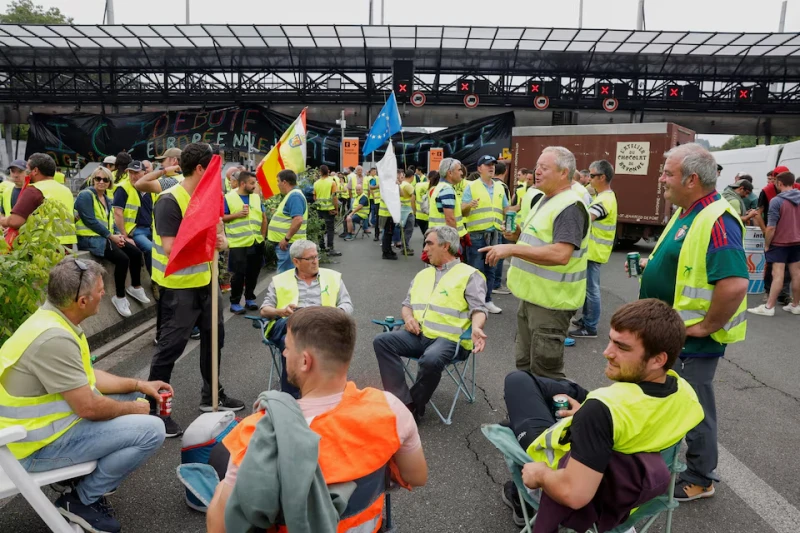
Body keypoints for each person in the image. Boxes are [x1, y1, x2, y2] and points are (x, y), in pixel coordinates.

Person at [206, 307, 426, 533]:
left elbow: (221, 528)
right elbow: (416, 476)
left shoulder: (257, 432)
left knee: (219, 457)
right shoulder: (390, 409)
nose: (283, 353)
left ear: (304, 361)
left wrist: (220, 491)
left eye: (287, 347)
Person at [0, 257, 168, 533]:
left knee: (134, 402)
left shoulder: (52, 321)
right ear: (81, 301)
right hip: (30, 449)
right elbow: (89, 407)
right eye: (101, 290)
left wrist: (139, 385)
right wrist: (136, 410)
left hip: (39, 433)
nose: (104, 293)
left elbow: (87, 378)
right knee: (151, 430)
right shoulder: (54, 340)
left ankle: (83, 485)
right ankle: (80, 500)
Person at [501, 299, 704, 526]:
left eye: (622, 347)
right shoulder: (686, 394)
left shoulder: (602, 409)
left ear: (658, 359)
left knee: (517, 382)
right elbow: (633, 423)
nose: (607, 353)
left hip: (561, 462)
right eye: (610, 341)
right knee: (562, 388)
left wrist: (539, 475)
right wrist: (585, 415)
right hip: (632, 484)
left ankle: (523, 502)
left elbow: (574, 494)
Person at [636, 143, 747, 502]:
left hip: (694, 341)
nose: (661, 178)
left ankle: (701, 477)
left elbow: (734, 284)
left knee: (694, 407)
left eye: (667, 173)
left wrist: (705, 327)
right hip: (673, 335)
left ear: (692, 179)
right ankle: (658, 467)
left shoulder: (718, 218)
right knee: (668, 402)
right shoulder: (687, 211)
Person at [150, 143, 245, 437]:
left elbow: (222, 238)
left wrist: (222, 243)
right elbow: (169, 247)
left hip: (206, 282)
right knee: (171, 349)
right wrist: (209, 245)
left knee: (214, 339)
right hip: (177, 288)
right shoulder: (169, 200)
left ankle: (211, 394)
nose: (219, 177)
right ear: (202, 169)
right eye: (215, 170)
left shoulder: (208, 198)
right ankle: (155, 411)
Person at [480, 146, 589, 379]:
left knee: (545, 372)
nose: (535, 172)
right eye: (537, 166)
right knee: (525, 364)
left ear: (563, 173)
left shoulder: (569, 205)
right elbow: (540, 242)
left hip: (551, 303)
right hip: (532, 298)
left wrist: (511, 247)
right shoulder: (546, 199)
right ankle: (527, 413)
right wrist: (517, 235)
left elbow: (561, 254)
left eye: (544, 168)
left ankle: (548, 415)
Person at [374, 226, 487, 420]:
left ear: (445, 246)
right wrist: (409, 318)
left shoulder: (469, 275)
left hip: (450, 341)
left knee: (431, 359)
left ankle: (413, 409)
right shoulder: (423, 275)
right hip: (420, 336)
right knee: (382, 341)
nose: (424, 248)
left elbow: (479, 309)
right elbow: (407, 305)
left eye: (429, 243)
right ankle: (402, 401)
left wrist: (477, 327)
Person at [259, 240, 353, 397]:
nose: (315, 261)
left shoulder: (332, 277)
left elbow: (347, 305)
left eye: (316, 256)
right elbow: (264, 310)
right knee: (294, 327)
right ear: (296, 261)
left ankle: (298, 395)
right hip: (287, 323)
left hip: (321, 325)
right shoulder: (280, 280)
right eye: (310, 258)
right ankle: (294, 398)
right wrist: (282, 311)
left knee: (291, 340)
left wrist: (331, 315)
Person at [75, 166, 149, 317]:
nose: (101, 182)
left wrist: (118, 235)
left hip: (105, 237)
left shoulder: (108, 199)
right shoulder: (85, 195)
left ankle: (135, 286)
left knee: (135, 252)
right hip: (91, 239)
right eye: (98, 178)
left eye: (105, 179)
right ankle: (119, 296)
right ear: (92, 179)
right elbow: (90, 221)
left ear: (109, 182)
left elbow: (111, 221)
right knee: (123, 259)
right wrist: (111, 236)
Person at [570, 160, 618, 339]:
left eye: (592, 175)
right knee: (589, 288)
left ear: (602, 177)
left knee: (592, 289)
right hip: (594, 250)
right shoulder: (604, 196)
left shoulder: (604, 199)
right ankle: (586, 319)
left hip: (594, 251)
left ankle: (590, 326)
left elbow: (586, 217)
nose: (589, 178)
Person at [748, 171, 800, 315]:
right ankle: (796, 305)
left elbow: (771, 227)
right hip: (797, 241)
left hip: (780, 243)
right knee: (796, 274)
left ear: (779, 183)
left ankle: (769, 307)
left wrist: (766, 244)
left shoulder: (777, 201)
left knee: (777, 274)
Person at [462, 155, 507, 314]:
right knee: (476, 270)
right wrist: (469, 205)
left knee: (491, 270)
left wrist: (514, 213)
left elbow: (505, 209)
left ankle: (487, 300)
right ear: (479, 168)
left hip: (495, 234)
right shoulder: (472, 186)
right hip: (476, 234)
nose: (491, 167)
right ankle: (474, 303)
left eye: (493, 165)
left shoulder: (500, 187)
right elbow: (462, 211)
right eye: (487, 165)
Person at [4, 153, 77, 247]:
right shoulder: (66, 191)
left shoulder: (33, 190)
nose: (26, 172)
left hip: (40, 247)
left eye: (27, 169)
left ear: (35, 171)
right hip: (66, 246)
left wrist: (3, 221)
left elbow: (14, 221)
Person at [223, 170, 266, 314]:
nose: (255, 186)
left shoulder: (256, 198)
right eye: (252, 183)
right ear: (243, 183)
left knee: (253, 273)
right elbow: (221, 217)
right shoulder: (228, 198)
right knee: (238, 275)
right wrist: (237, 214)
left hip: (256, 242)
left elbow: (263, 217)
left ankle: (249, 299)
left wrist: (262, 237)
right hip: (238, 244)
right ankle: (235, 302)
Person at [113, 160, 154, 275]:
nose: (133, 176)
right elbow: (117, 213)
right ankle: (155, 282)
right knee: (150, 249)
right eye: (130, 173)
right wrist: (125, 235)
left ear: (144, 173)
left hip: (152, 229)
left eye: (136, 173)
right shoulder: (123, 188)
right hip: (135, 231)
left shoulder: (151, 188)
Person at [267, 169, 309, 272]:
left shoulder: (294, 196)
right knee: (289, 274)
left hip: (288, 244)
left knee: (285, 275)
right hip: (288, 243)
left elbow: (298, 219)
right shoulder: (292, 195)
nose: (277, 184)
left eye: (278, 181)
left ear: (284, 182)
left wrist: (286, 239)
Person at [428, 157, 467, 243]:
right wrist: (454, 239)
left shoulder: (440, 187)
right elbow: (450, 218)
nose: (462, 173)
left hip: (439, 235)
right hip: (445, 238)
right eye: (459, 170)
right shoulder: (447, 189)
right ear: (450, 173)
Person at [312, 164, 340, 255]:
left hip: (319, 209)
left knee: (321, 229)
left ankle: (322, 247)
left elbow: (314, 197)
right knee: (330, 229)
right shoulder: (332, 182)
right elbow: (334, 198)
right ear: (328, 171)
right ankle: (330, 248)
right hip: (329, 210)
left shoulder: (316, 183)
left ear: (320, 172)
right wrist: (336, 209)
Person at [0, 159, 26, 226]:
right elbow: (2, 213)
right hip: (8, 234)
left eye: (20, 171)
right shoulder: (7, 191)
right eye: (13, 171)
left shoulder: (33, 192)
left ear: (28, 173)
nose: (15, 175)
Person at [397, 168, 417, 255]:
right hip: (408, 210)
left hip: (402, 209)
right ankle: (405, 248)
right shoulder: (408, 186)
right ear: (412, 177)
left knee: (403, 230)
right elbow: (414, 197)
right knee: (408, 229)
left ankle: (403, 246)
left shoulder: (401, 184)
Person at [415, 169, 432, 236]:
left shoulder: (418, 185)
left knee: (425, 234)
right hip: (429, 216)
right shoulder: (435, 187)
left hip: (419, 215)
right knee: (428, 236)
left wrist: (414, 212)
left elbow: (413, 199)